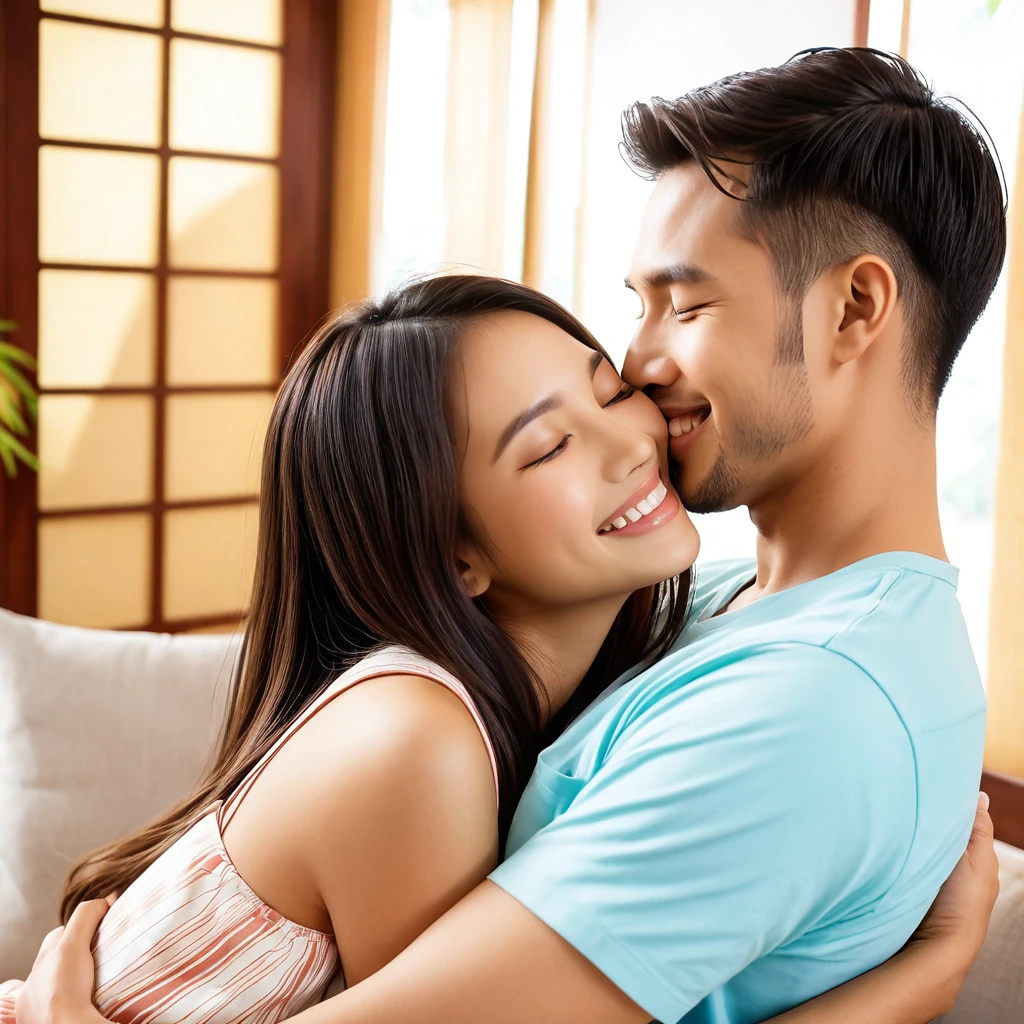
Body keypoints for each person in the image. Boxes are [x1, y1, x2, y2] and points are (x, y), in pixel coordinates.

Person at [10, 45, 1006, 1024]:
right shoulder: (719, 594)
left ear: (854, 307)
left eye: (687, 302)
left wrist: (916, 986)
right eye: (636, 310)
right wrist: (912, 986)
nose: (641, 365)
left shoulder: (813, 702)